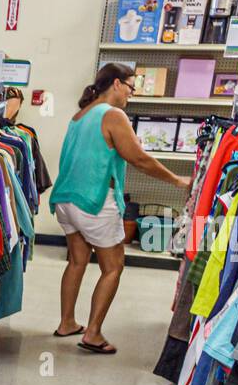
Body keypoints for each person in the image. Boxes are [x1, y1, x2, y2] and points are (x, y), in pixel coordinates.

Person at [48, 63, 191, 355]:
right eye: (130, 87)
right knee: (113, 267)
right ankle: (93, 334)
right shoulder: (114, 115)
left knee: (77, 261)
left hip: (66, 199)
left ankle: (66, 323)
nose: (131, 93)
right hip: (95, 202)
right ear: (115, 83)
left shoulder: (81, 114)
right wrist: (177, 180)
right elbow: (138, 159)